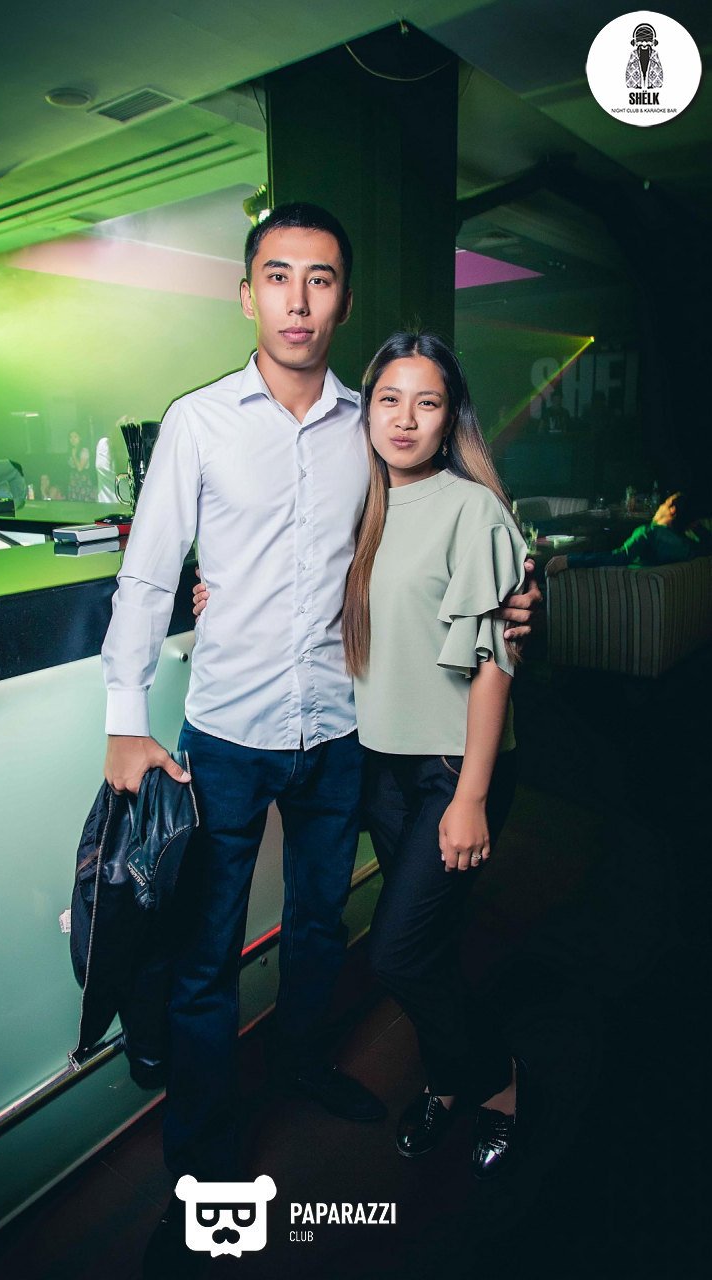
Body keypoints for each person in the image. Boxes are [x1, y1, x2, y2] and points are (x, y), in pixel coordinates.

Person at [101, 203, 539, 1269]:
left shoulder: (369, 424)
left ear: (342, 300)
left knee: (315, 926)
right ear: (246, 293)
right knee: (205, 960)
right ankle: (203, 1171)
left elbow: (437, 531)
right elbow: (149, 575)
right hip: (229, 730)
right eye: (277, 276)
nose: (298, 300)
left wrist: (518, 598)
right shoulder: (199, 422)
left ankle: (300, 1060)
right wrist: (123, 718)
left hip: (342, 730)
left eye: (322, 279)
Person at [340, 331, 528, 1180]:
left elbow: (493, 666)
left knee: (395, 953)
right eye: (389, 399)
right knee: (429, 947)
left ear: (451, 418)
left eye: (427, 402)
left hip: (454, 767)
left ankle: (495, 1081)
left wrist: (471, 796)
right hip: (381, 765)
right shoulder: (362, 508)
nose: (404, 419)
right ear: (368, 410)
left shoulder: (471, 508)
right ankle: (449, 1081)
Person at [546, 490, 711, 576]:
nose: (660, 506)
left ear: (671, 509)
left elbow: (619, 558)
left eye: (664, 503)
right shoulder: (688, 545)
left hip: (630, 585)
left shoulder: (649, 533)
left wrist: (569, 560)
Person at [67, 430, 95, 501]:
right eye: (71, 437)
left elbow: (80, 468)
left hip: (83, 480)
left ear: (80, 438)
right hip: (73, 480)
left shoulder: (84, 450)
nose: (73, 439)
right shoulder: (71, 451)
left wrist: (74, 456)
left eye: (75, 437)